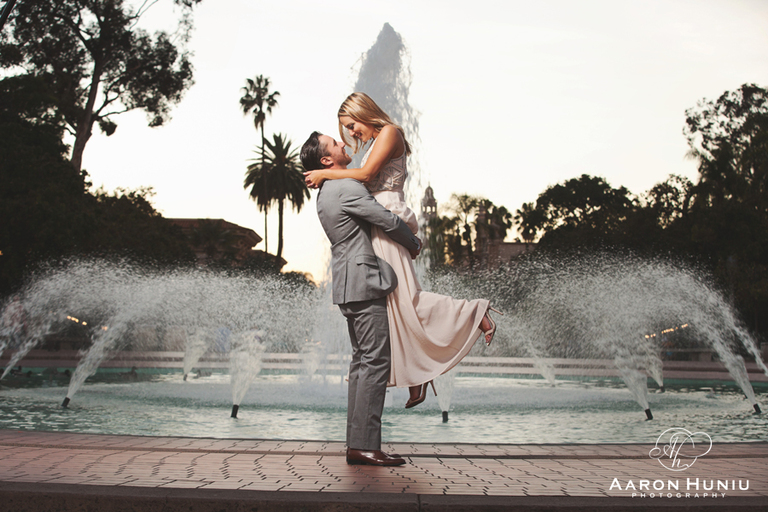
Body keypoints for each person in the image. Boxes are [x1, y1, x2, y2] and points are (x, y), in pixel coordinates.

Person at [304, 92, 501, 409]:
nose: (351, 134)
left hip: (386, 220)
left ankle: (475, 312)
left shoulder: (389, 133)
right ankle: (419, 376)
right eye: (346, 131)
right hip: (378, 223)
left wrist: (326, 173)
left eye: (352, 125)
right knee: (395, 307)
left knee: (406, 300)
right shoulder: (373, 143)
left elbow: (367, 177)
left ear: (364, 113)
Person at [301, 131, 421, 466]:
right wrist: (412, 241)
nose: (343, 144)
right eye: (335, 144)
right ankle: (365, 446)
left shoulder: (326, 190)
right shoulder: (346, 187)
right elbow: (383, 218)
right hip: (364, 281)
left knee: (361, 363)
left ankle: (358, 445)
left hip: (347, 283)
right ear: (327, 160)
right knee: (375, 362)